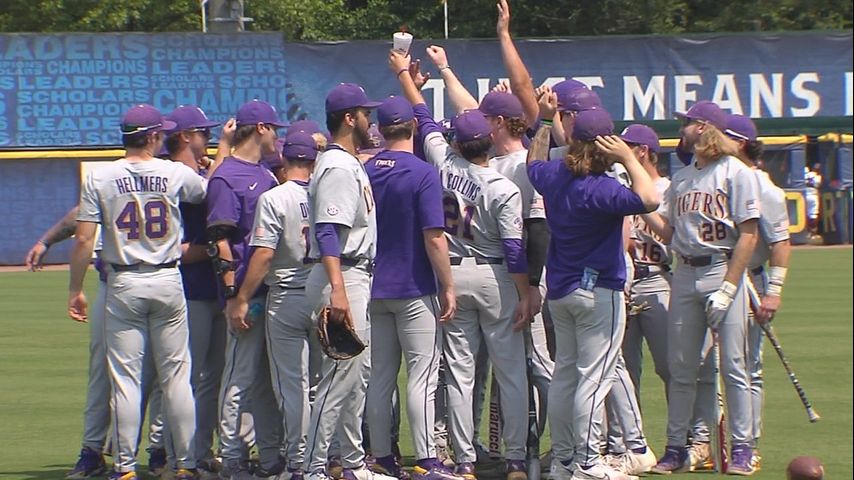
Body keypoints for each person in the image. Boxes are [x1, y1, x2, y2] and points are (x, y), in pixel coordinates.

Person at [392, 49, 532, 480]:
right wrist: (526, 291)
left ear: (457, 142)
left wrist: (405, 76)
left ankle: (465, 459)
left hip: (452, 273)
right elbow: (514, 249)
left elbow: (423, 117)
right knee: (510, 371)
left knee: (460, 372)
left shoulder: (442, 161)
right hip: (493, 275)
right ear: (489, 140)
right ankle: (513, 459)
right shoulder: (503, 187)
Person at [526, 88, 659, 480]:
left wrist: (547, 122)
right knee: (594, 378)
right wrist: (630, 157)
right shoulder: (603, 188)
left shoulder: (554, 176)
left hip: (562, 288)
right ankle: (586, 461)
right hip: (599, 289)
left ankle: (566, 460)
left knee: (566, 375)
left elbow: (534, 160)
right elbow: (649, 199)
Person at [67, 104, 206, 480]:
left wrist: (75, 290)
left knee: (126, 380)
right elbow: (204, 192)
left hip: (124, 280)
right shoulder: (173, 172)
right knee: (177, 376)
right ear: (153, 137)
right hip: (166, 277)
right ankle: (186, 465)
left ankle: (125, 467)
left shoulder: (102, 176)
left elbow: (83, 239)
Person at [640, 101, 760, 475]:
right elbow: (672, 234)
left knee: (734, 366)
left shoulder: (736, 173)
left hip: (720, 268)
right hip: (686, 272)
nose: (683, 128)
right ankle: (676, 446)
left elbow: (749, 235)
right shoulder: (684, 177)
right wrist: (638, 203)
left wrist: (730, 285)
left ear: (706, 128)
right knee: (681, 366)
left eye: (688, 122)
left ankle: (742, 447)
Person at [362, 95, 458, 480]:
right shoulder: (421, 172)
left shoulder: (365, 170)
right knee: (421, 377)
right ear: (413, 128)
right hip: (414, 285)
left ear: (381, 130)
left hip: (373, 285)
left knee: (381, 377)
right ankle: (426, 459)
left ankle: (382, 456)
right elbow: (434, 236)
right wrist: (448, 285)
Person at [302, 83, 389, 480]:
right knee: (337, 380)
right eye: (365, 113)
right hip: (342, 276)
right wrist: (338, 291)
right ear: (349, 118)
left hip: (354, 275)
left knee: (357, 380)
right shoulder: (337, 166)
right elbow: (326, 233)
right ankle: (314, 468)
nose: (371, 121)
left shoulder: (346, 161)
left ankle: (352, 465)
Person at [225, 130, 322, 480]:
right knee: (320, 386)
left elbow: (264, 255)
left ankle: (299, 463)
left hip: (286, 297)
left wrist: (242, 297)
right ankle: (323, 458)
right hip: (323, 293)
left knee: (291, 387)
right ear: (314, 161)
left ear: (284, 161)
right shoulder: (328, 193)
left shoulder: (274, 197)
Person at [208, 99, 287, 479]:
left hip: (268, 291)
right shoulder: (226, 177)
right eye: (274, 128)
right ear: (260, 128)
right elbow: (220, 241)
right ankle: (232, 458)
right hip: (245, 293)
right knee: (239, 376)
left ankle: (271, 457)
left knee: (266, 381)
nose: (277, 135)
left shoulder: (267, 175)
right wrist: (231, 297)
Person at [162, 105, 226, 476]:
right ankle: (178, 457)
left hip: (214, 289)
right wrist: (214, 250)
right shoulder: (175, 179)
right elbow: (175, 251)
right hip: (188, 292)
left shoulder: (198, 174)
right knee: (186, 379)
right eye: (203, 133)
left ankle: (200, 452)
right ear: (185, 137)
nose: (209, 139)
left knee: (211, 380)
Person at [725, 114, 792, 472]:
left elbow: (781, 242)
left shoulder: (763, 187)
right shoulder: (718, 174)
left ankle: (747, 444)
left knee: (747, 366)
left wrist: (774, 292)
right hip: (707, 276)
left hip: (751, 280)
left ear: (739, 144)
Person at [26, 208, 110, 479]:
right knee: (104, 373)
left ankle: (166, 452)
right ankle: (94, 450)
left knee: (168, 376)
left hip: (179, 284)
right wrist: (46, 241)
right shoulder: (185, 177)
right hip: (121, 282)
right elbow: (80, 217)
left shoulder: (192, 178)